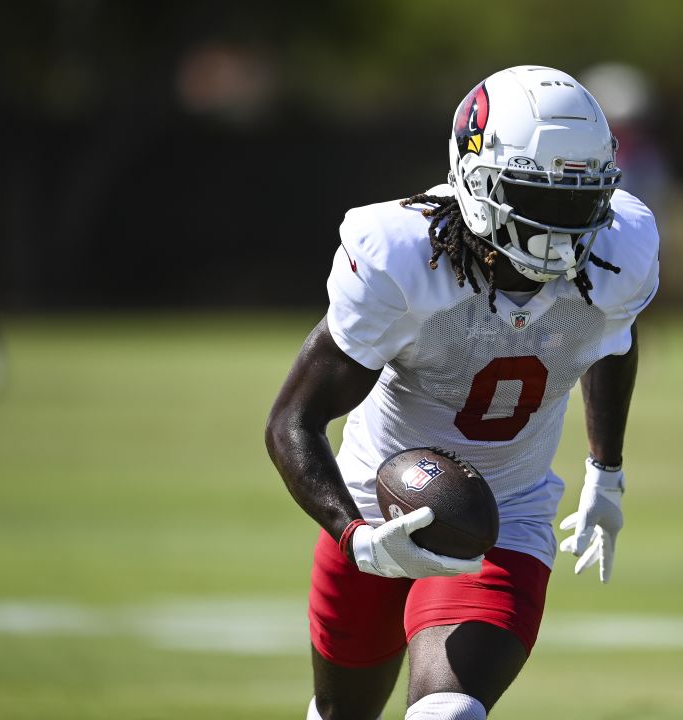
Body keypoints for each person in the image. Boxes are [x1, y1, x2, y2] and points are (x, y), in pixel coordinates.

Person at [265, 65, 659, 720]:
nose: (564, 230)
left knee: (447, 714)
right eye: (540, 197)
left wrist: (606, 472)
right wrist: (355, 535)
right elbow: (292, 422)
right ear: (476, 182)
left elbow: (612, 340)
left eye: (579, 200)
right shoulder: (400, 259)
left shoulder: (623, 248)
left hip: (508, 511)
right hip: (372, 500)